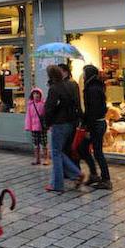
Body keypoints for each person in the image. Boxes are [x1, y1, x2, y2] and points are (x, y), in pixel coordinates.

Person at [43, 64, 84, 192]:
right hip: (71, 122)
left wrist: (46, 123)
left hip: (59, 123)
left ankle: (59, 183)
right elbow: (77, 103)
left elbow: (49, 108)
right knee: (60, 152)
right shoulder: (72, 85)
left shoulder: (54, 88)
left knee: (56, 152)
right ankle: (74, 174)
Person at [81, 64, 111, 189]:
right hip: (97, 123)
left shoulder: (92, 89)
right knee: (85, 148)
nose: (82, 75)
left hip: (95, 124)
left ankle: (105, 179)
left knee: (97, 152)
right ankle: (94, 174)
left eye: (84, 73)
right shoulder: (94, 86)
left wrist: (88, 127)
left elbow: (93, 110)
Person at [24, 87, 48, 165]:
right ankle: (37, 159)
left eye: (38, 94)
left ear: (40, 95)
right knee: (36, 144)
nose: (36, 95)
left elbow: (46, 116)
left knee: (44, 144)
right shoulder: (30, 105)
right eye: (34, 94)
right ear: (32, 95)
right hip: (34, 128)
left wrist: (48, 125)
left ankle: (46, 159)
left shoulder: (43, 104)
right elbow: (28, 117)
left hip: (42, 128)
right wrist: (28, 126)